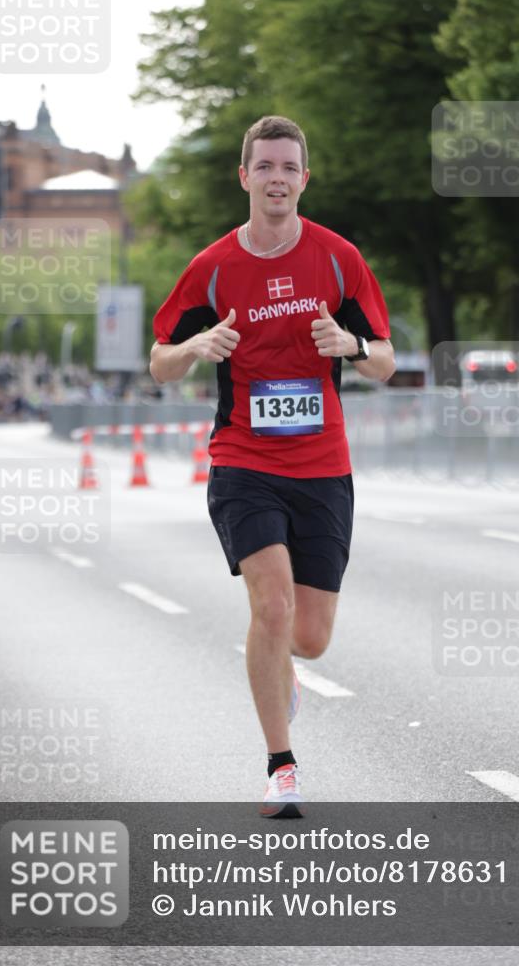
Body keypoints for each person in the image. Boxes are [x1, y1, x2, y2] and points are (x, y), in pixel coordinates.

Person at [150, 115, 394, 817]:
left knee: (309, 638)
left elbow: (384, 362)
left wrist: (348, 343)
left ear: (303, 179)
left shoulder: (339, 259)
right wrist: (200, 347)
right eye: (265, 167)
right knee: (273, 605)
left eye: (289, 167)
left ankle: (277, 659)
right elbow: (159, 362)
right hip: (242, 460)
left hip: (322, 466)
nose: (277, 178)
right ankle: (280, 767)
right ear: (245, 177)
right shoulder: (213, 267)